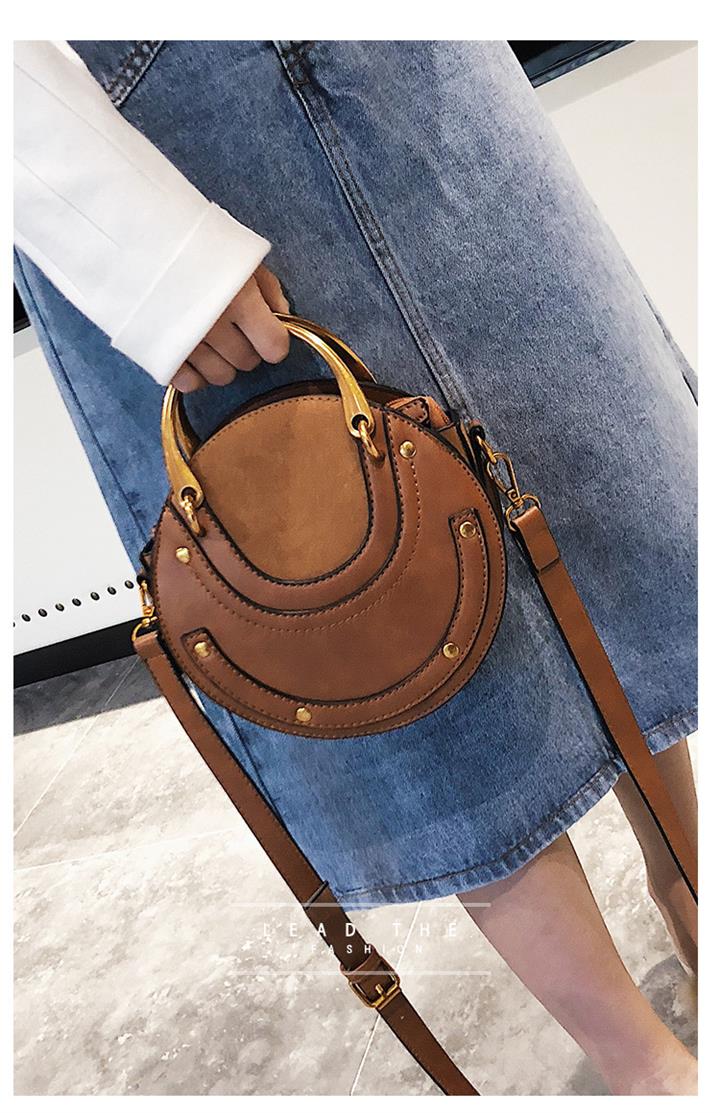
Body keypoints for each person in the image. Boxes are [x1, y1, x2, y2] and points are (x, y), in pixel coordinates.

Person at [14, 40, 698, 1096]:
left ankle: (692, 896)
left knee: (597, 496)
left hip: (414, 63)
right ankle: (642, 1065)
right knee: (374, 641)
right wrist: (125, 236)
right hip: (153, 131)